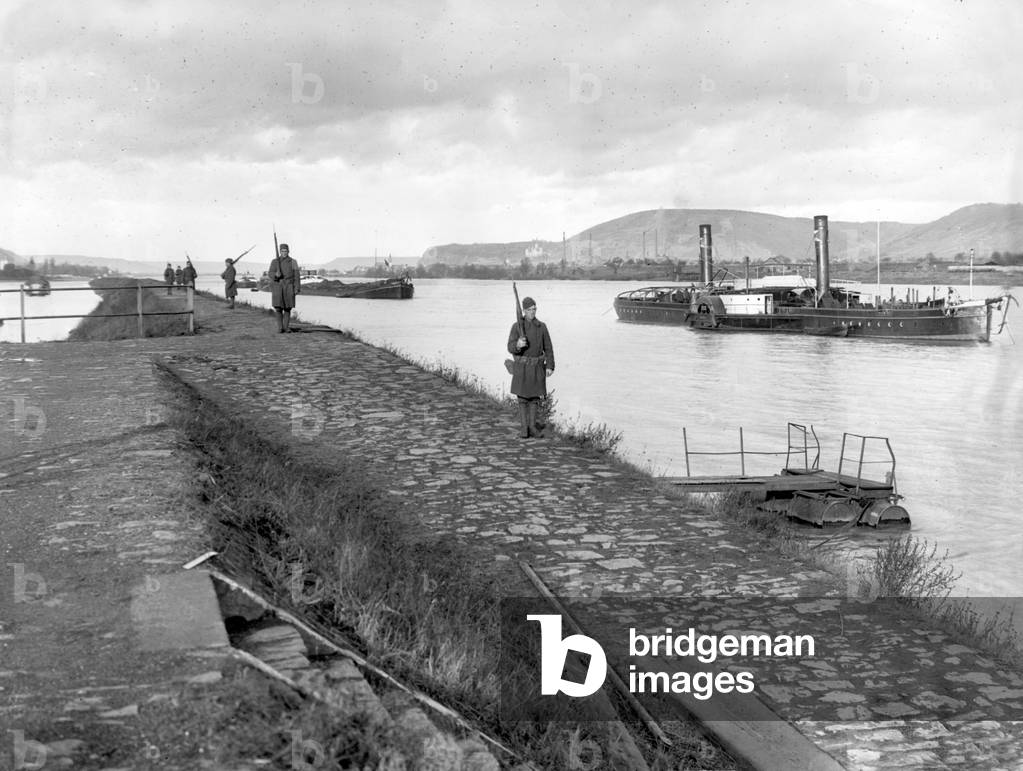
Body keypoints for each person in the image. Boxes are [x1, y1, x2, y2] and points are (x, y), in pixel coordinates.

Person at [507, 296, 555, 438]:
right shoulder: (516, 326)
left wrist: (550, 366)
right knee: (522, 399)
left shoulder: (542, 326)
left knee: (534, 398)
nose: (532, 312)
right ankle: (524, 428)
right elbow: (510, 346)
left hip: (536, 367)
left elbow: (548, 348)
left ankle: (533, 427)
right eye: (529, 310)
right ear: (524, 310)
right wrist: (517, 345)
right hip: (522, 367)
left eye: (534, 309)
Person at [268, 243, 301, 332]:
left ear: (288, 251)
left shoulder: (293, 262)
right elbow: (270, 273)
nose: (284, 253)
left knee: (287, 308)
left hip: (289, 287)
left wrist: (297, 288)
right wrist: (276, 275)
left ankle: (286, 327)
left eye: (286, 251)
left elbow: (297, 276)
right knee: (278, 308)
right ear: (280, 251)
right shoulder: (274, 261)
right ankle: (280, 328)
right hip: (278, 286)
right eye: (282, 251)